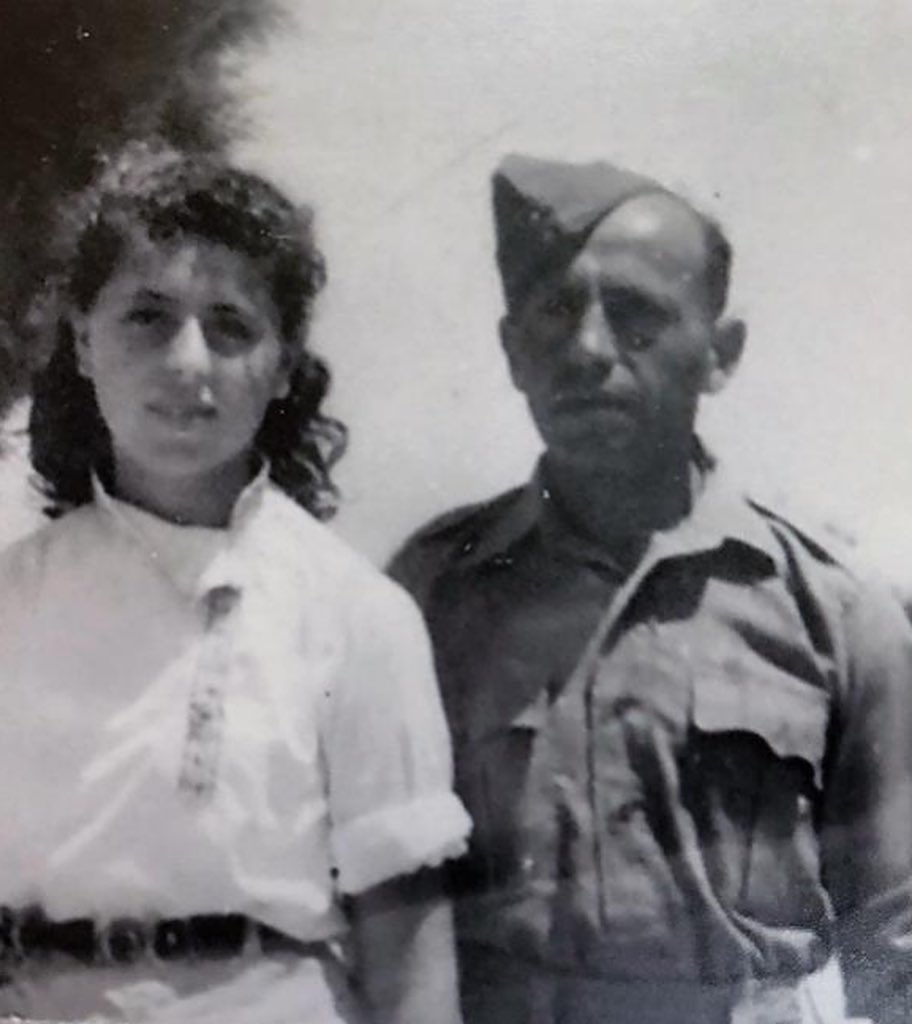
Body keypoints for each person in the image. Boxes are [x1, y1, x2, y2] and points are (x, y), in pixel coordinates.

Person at [0, 139, 470, 1024]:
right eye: (148, 317)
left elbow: (412, 965)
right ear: (83, 341)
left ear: (283, 366)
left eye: (231, 326)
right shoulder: (4, 601)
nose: (188, 361)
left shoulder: (357, 616)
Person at [390, 153, 912, 1024]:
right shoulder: (429, 593)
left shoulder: (838, 611)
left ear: (720, 354)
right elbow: (381, 908)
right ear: (513, 351)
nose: (588, 349)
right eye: (555, 313)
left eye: (636, 316)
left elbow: (897, 940)